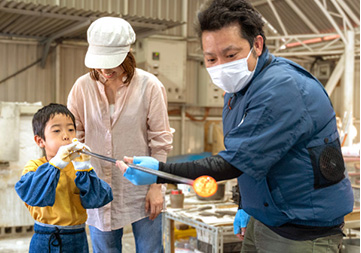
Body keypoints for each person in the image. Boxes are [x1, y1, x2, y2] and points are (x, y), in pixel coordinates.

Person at [116, 0, 354, 252]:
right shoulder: (238, 91)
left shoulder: (282, 89)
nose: (221, 66)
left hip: (301, 229)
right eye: (210, 58)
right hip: (267, 217)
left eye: (230, 55)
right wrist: (245, 204)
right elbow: (252, 154)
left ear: (257, 45)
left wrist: (160, 171)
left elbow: (235, 161)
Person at [67, 17, 173, 253]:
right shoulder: (82, 88)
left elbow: (160, 141)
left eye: (111, 62)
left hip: (143, 186)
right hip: (98, 188)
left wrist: (157, 187)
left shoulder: (149, 86)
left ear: (127, 53)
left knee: (150, 250)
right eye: (99, 62)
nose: (105, 70)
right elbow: (75, 138)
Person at [15, 103, 113, 253]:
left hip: (77, 237)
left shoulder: (79, 167)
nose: (66, 135)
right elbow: (32, 195)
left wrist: (84, 168)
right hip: (45, 238)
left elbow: (98, 199)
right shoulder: (34, 167)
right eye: (56, 130)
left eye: (71, 129)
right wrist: (57, 164)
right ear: (40, 141)